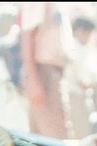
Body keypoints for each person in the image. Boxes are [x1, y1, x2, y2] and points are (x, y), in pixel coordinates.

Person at [19, 1, 72, 139]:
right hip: (43, 72)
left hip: (52, 71)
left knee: (44, 141)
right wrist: (34, 81)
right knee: (56, 140)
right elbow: (27, 37)